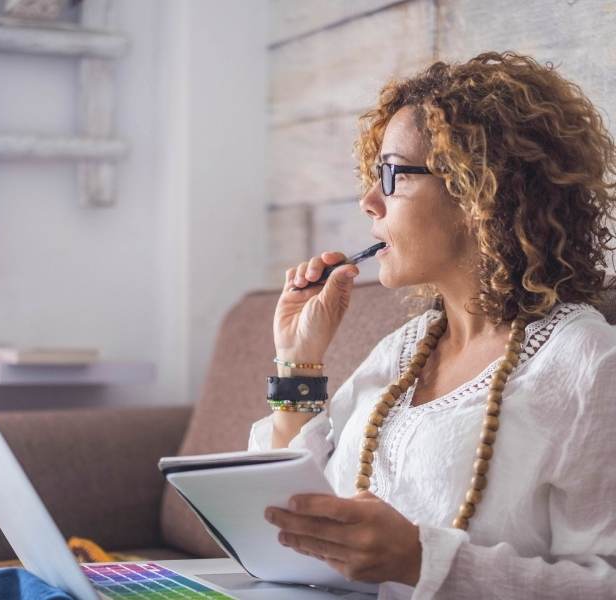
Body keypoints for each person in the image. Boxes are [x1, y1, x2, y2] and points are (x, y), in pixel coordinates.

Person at [251, 51, 616, 599]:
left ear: (479, 191)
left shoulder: (586, 363)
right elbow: (293, 521)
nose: (369, 201)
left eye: (392, 174)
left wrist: (421, 560)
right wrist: (298, 360)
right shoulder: (404, 350)